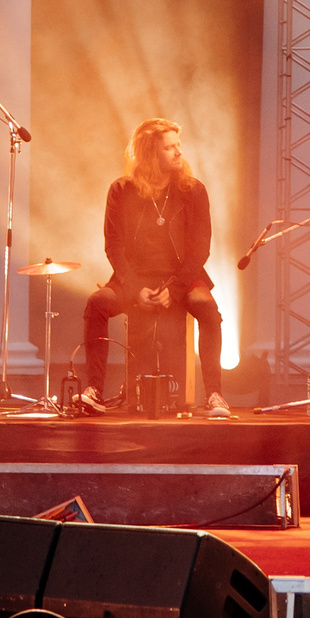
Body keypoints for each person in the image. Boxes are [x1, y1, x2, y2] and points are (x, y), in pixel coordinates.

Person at [77, 119, 230, 418]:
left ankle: (214, 394)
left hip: (183, 277)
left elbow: (201, 249)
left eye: (178, 146)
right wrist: (135, 289)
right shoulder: (121, 191)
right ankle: (94, 389)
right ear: (149, 153)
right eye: (169, 147)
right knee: (96, 304)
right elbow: (114, 246)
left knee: (208, 310)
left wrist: (174, 289)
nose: (178, 153)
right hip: (135, 278)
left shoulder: (194, 191)